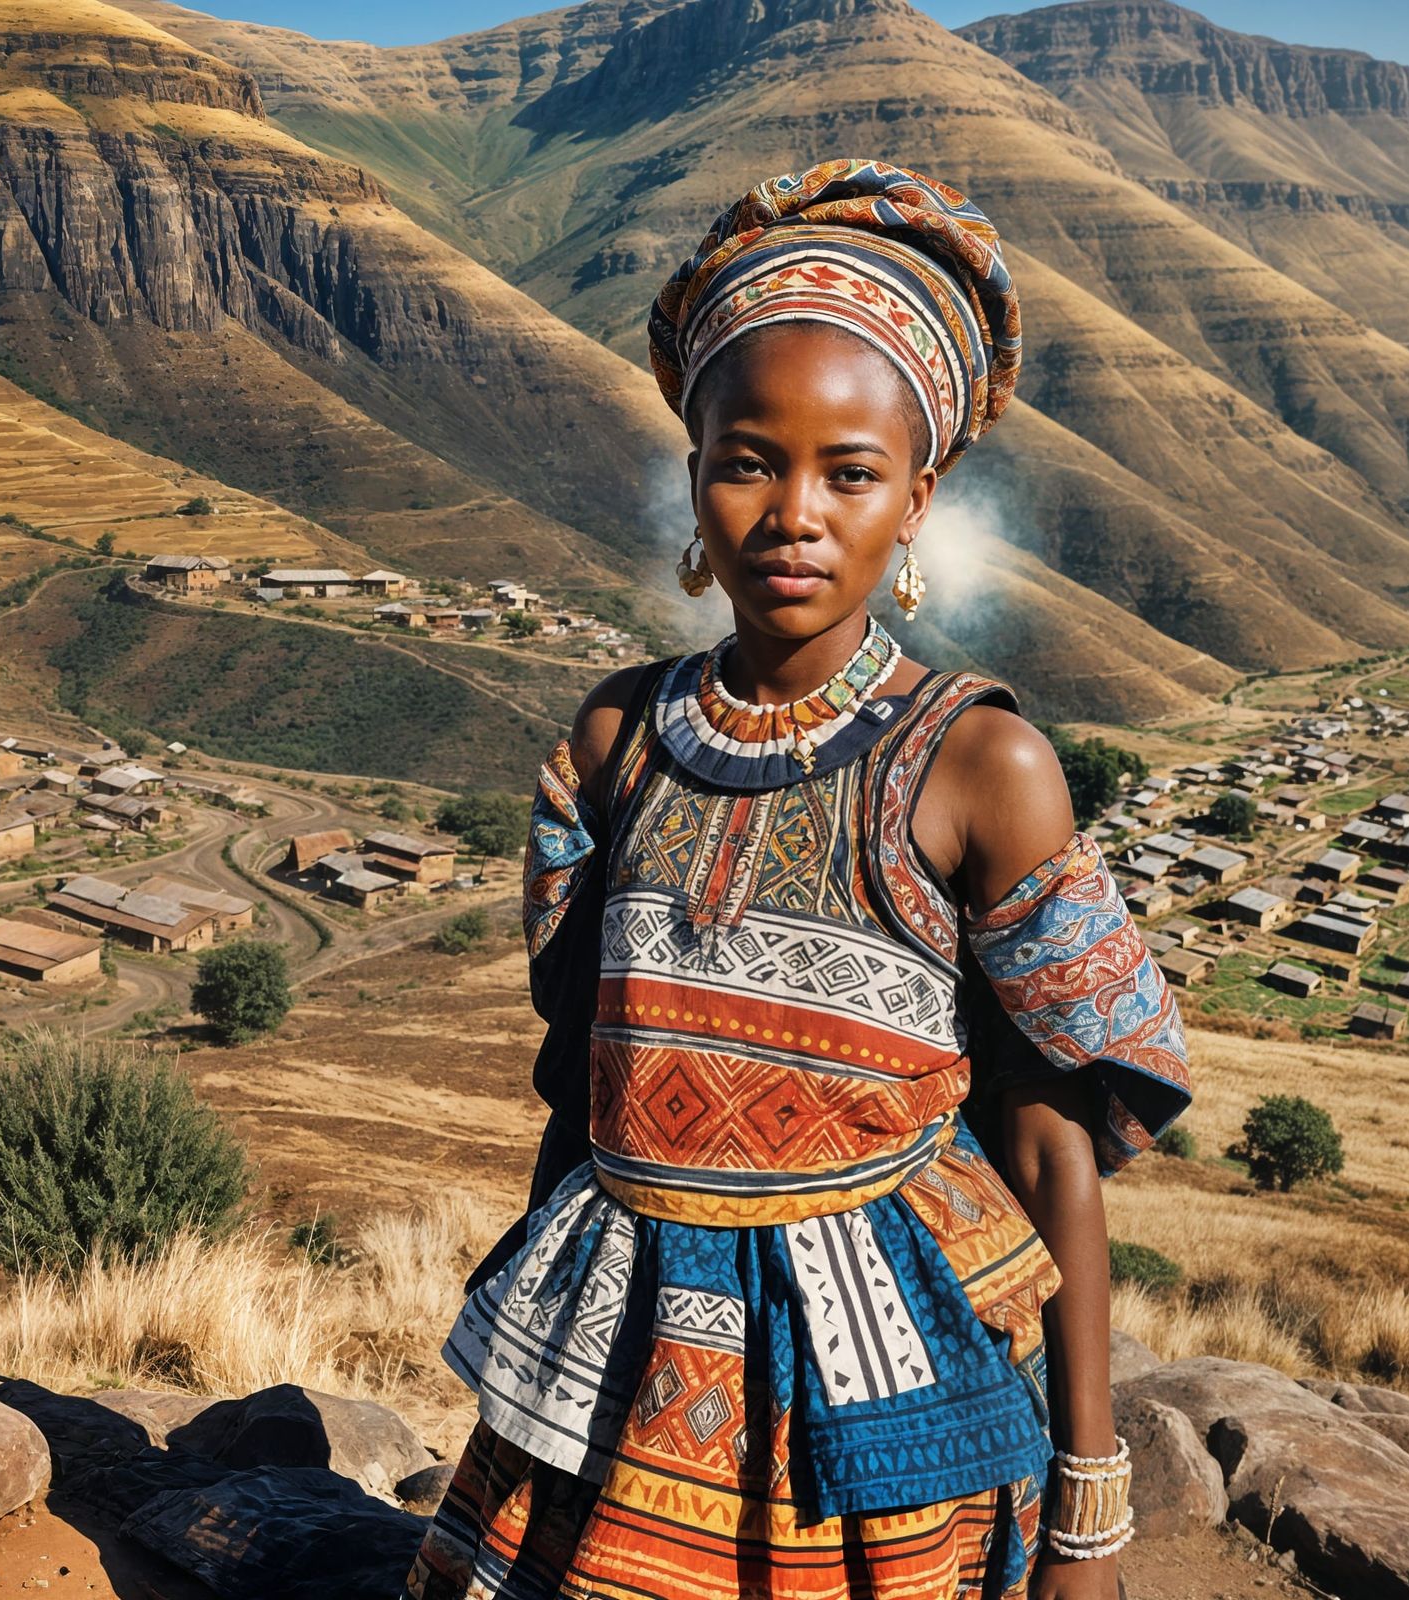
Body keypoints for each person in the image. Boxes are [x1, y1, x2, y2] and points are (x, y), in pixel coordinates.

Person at [402, 158, 1193, 1600]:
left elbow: (1047, 1128)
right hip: (628, 1358)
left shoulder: (981, 765)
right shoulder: (616, 740)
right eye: (747, 460)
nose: (793, 513)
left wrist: (1089, 1505)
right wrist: (528, 1373)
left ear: (919, 499)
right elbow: (580, 1073)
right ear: (692, 476)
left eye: (850, 471)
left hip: (874, 1385)